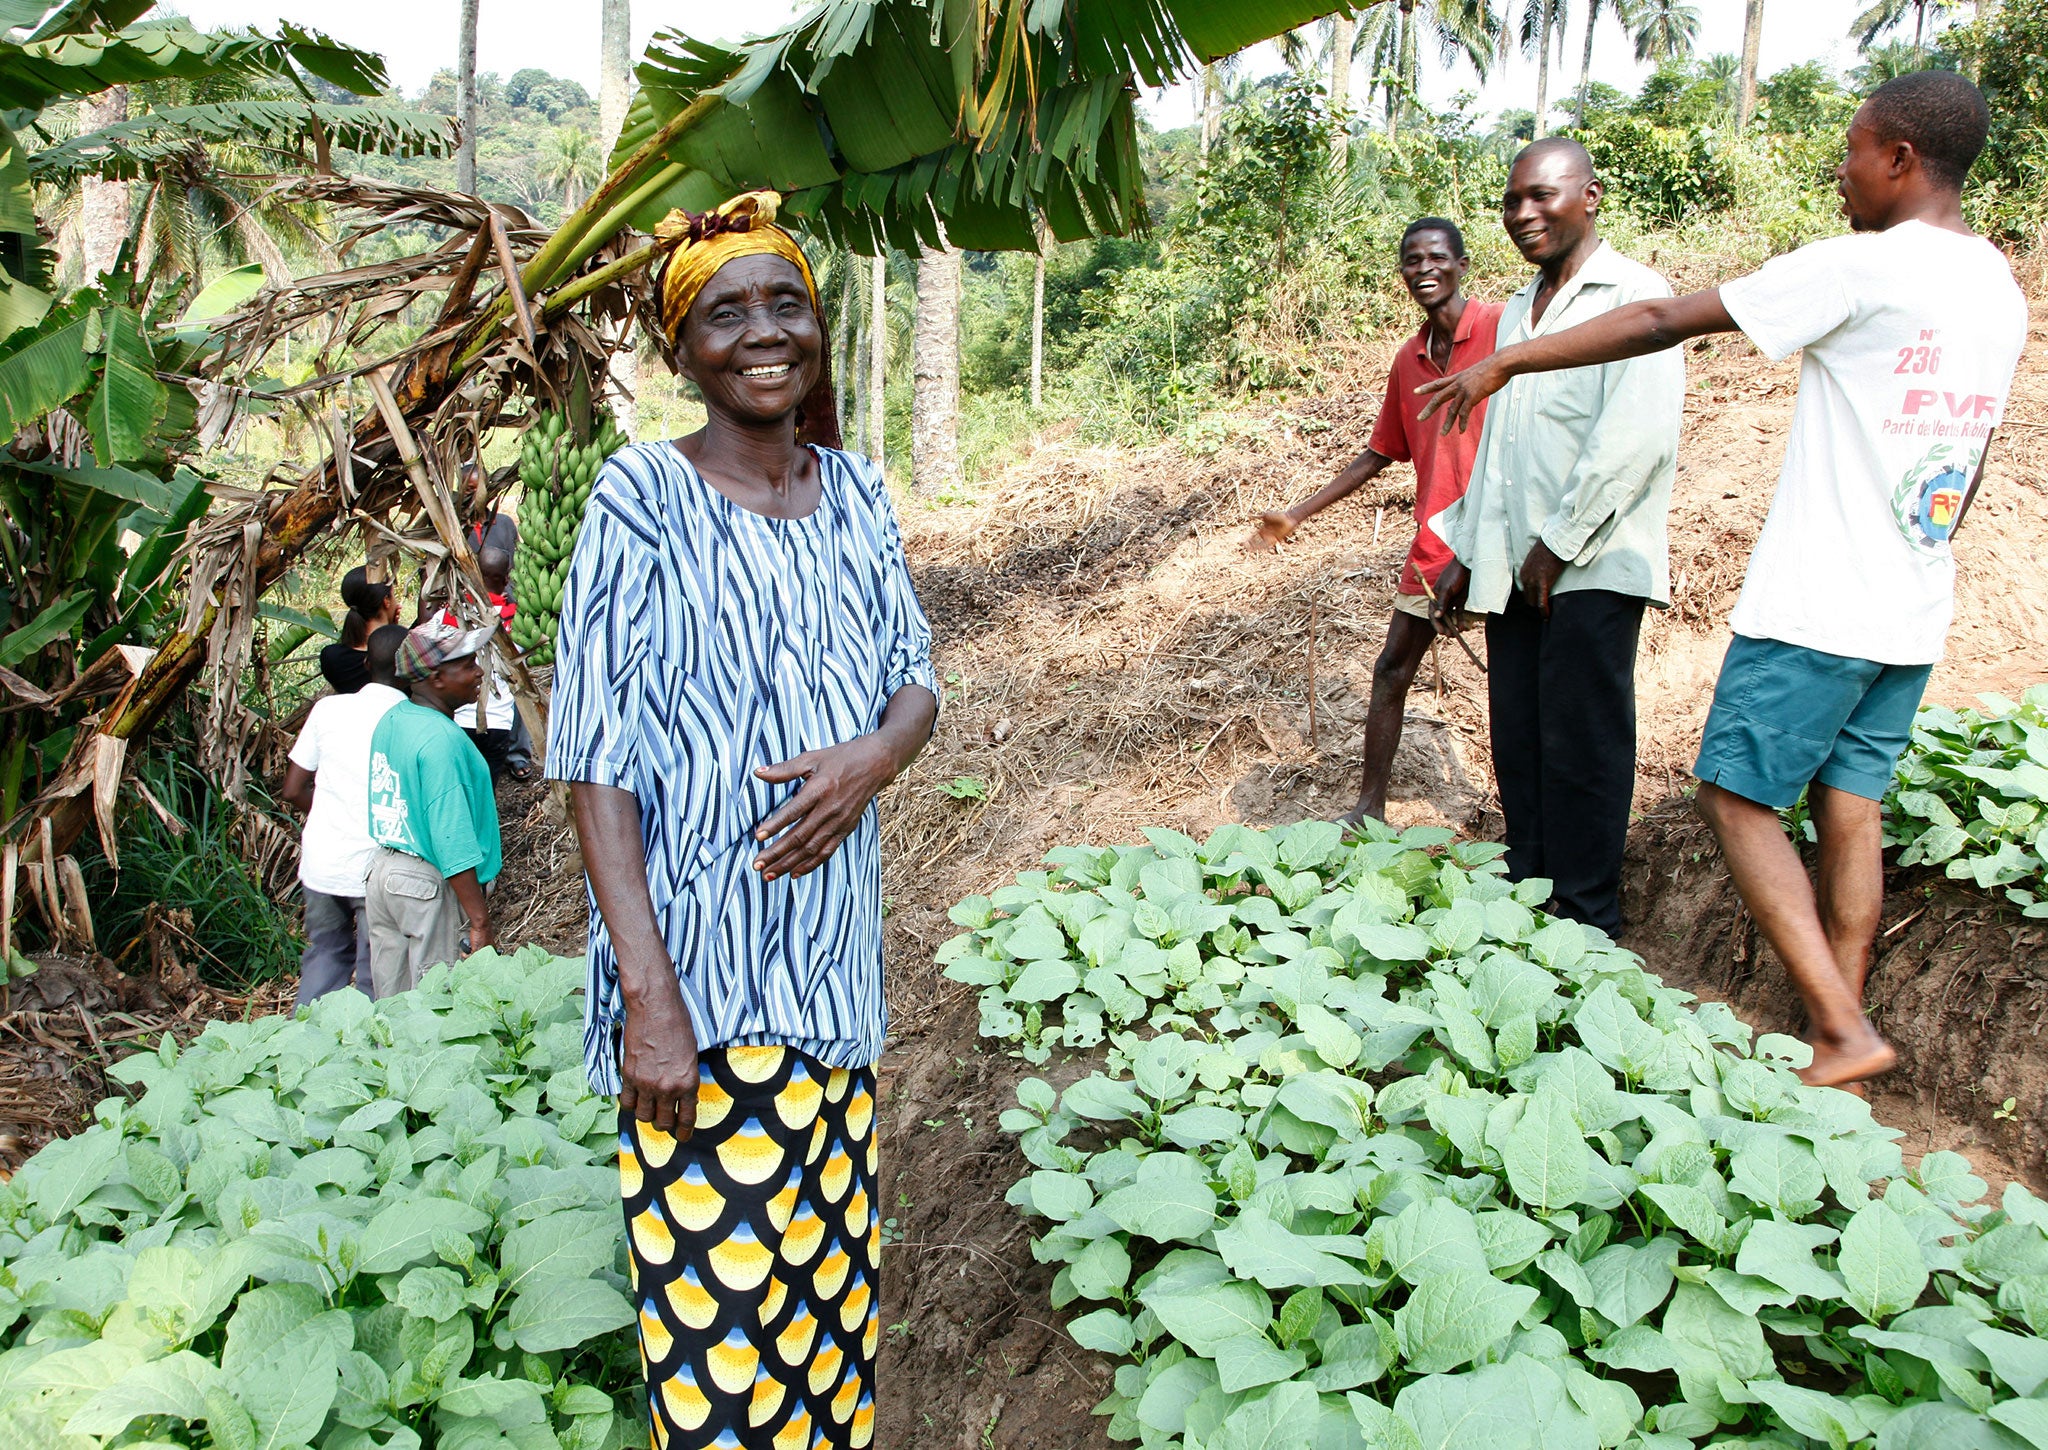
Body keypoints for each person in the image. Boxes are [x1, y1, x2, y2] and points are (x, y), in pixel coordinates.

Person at [1417, 73, 2026, 1087]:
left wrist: (1507, 366)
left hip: (1819, 597)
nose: (1840, 170)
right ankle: (1843, 1010)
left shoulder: (1863, 267)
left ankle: (1840, 1030)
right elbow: (1976, 456)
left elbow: (1662, 320)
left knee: (1732, 798)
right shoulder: (1993, 285)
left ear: (1899, 160)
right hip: (1913, 600)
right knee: (1849, 805)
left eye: (1851, 150)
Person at [547, 191, 937, 1450]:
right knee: (721, 1377)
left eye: (787, 303)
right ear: (681, 350)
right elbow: (594, 762)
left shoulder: (861, 491)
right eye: (726, 311)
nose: (763, 332)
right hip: (700, 1018)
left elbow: (914, 676)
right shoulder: (641, 497)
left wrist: (873, 758)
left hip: (833, 1000)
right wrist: (650, 998)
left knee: (824, 1356)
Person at [1427, 138, 1685, 938]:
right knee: (1522, 741)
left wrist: (1559, 542)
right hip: (1516, 568)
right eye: (1511, 203)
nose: (1523, 215)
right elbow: (1501, 448)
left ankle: (1587, 918)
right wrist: (1469, 552)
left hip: (1596, 563)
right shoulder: (1516, 309)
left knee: (1583, 746)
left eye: (1542, 196)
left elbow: (1633, 439)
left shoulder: (1637, 293)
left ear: (1591, 195)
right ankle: (1530, 898)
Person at [1246, 217, 1504, 825]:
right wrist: (1296, 514)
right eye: (1412, 261)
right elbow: (1380, 451)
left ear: (1463, 264)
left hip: (1506, 538)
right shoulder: (1409, 360)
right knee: (1392, 667)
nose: (1424, 270)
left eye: (1437, 257)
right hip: (1438, 543)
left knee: (1513, 683)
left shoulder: (1500, 329)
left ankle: (1516, 814)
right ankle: (1368, 808)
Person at [364, 621, 503, 997]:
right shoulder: (442, 740)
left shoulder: (394, 720)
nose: (478, 672)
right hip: (426, 882)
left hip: (384, 873)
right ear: (436, 678)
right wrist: (479, 921)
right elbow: (451, 837)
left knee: (391, 1004)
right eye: (468, 665)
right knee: (434, 1006)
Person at [280, 624, 408, 1005]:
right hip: (377, 867)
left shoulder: (327, 710)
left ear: (366, 663)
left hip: (322, 861)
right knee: (376, 974)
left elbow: (292, 789)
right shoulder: (411, 720)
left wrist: (330, 812)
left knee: (324, 953)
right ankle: (367, 1056)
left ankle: (306, 1046)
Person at [319, 566, 400, 695]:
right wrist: (396, 634)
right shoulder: (400, 658)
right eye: (394, 595)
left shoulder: (332, 657)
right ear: (386, 601)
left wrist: (393, 633)